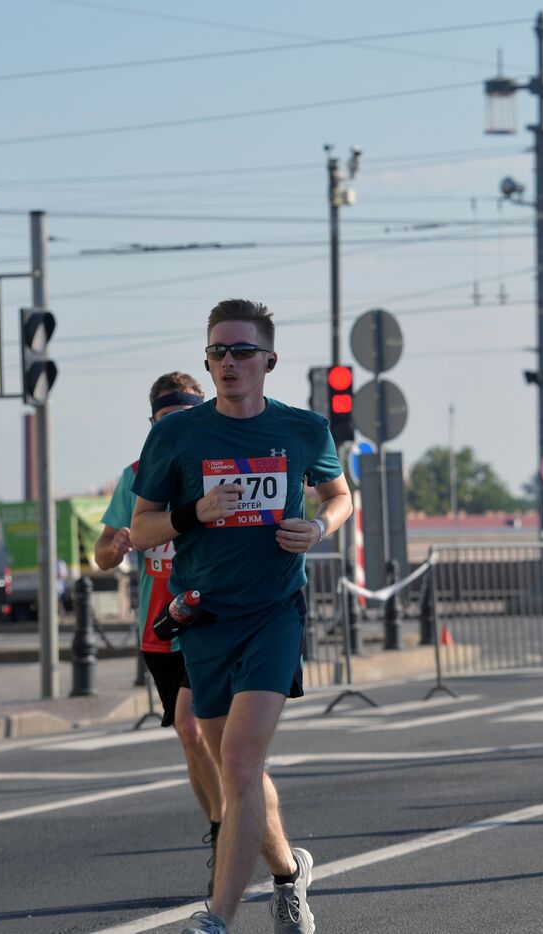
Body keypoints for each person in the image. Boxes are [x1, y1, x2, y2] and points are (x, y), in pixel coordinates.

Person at [130, 299, 351, 934]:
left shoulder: (304, 429)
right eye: (217, 352)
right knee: (235, 765)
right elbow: (141, 528)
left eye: (241, 352)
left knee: (240, 764)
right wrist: (194, 513)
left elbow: (340, 495)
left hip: (274, 612)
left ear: (269, 360)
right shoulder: (177, 434)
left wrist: (318, 526)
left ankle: (217, 918)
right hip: (204, 617)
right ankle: (288, 875)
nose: (228, 363)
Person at [95, 372, 223, 890]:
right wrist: (119, 544)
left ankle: (227, 828)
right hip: (158, 628)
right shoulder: (135, 476)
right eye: (165, 422)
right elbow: (101, 555)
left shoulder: (214, 471)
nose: (174, 430)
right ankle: (221, 823)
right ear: (151, 425)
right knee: (188, 736)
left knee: (194, 727)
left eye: (185, 419)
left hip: (209, 619)